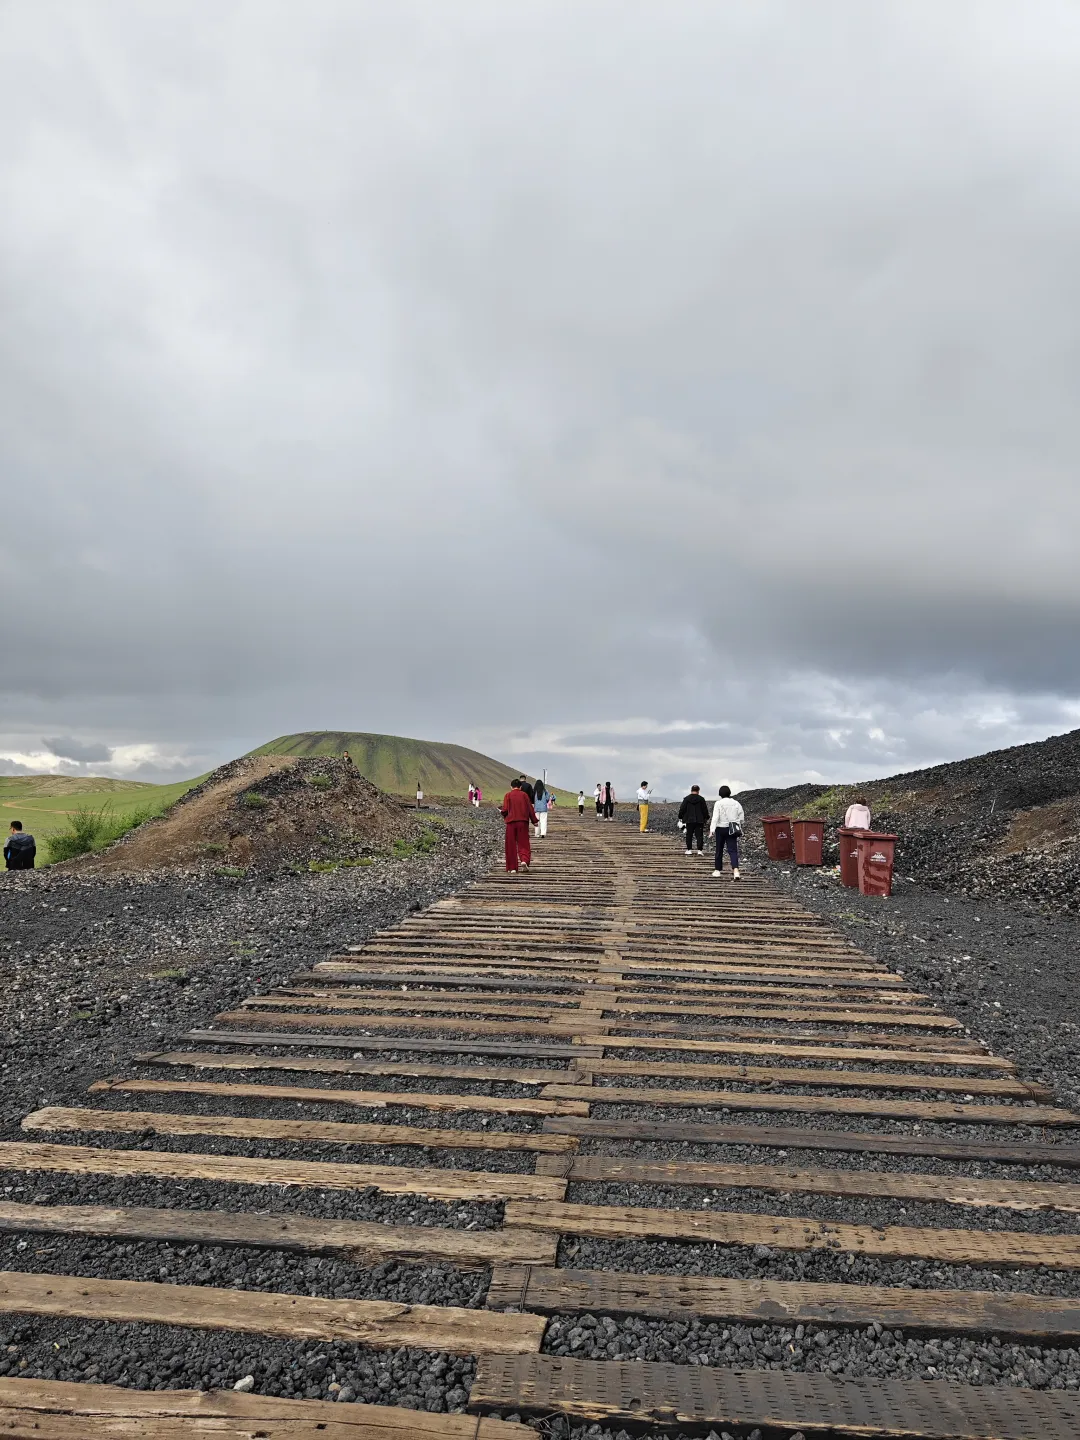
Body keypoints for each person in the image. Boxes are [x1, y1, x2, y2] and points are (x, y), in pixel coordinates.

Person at [500, 778, 538, 873]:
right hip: (523, 822)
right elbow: (530, 809)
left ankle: (512, 867)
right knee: (524, 842)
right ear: (520, 787)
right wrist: (534, 821)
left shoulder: (507, 795)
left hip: (511, 823)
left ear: (511, 787)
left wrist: (503, 813)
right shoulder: (524, 795)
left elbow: (505, 810)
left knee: (510, 844)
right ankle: (524, 860)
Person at [710, 784, 745, 880]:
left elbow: (715, 817)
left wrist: (712, 830)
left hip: (720, 828)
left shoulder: (718, 803)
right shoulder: (736, 803)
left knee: (719, 849)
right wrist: (738, 824)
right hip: (732, 829)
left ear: (720, 794)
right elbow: (741, 816)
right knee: (733, 850)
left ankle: (717, 870)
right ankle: (736, 871)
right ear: (729, 793)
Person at [678, 785, 709, 856]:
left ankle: (689, 850)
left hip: (689, 820)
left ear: (691, 790)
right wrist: (706, 817)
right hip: (699, 820)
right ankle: (699, 850)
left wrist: (680, 817)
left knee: (689, 835)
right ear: (698, 791)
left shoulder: (686, 799)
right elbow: (705, 810)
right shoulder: (701, 799)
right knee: (699, 836)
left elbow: (682, 809)